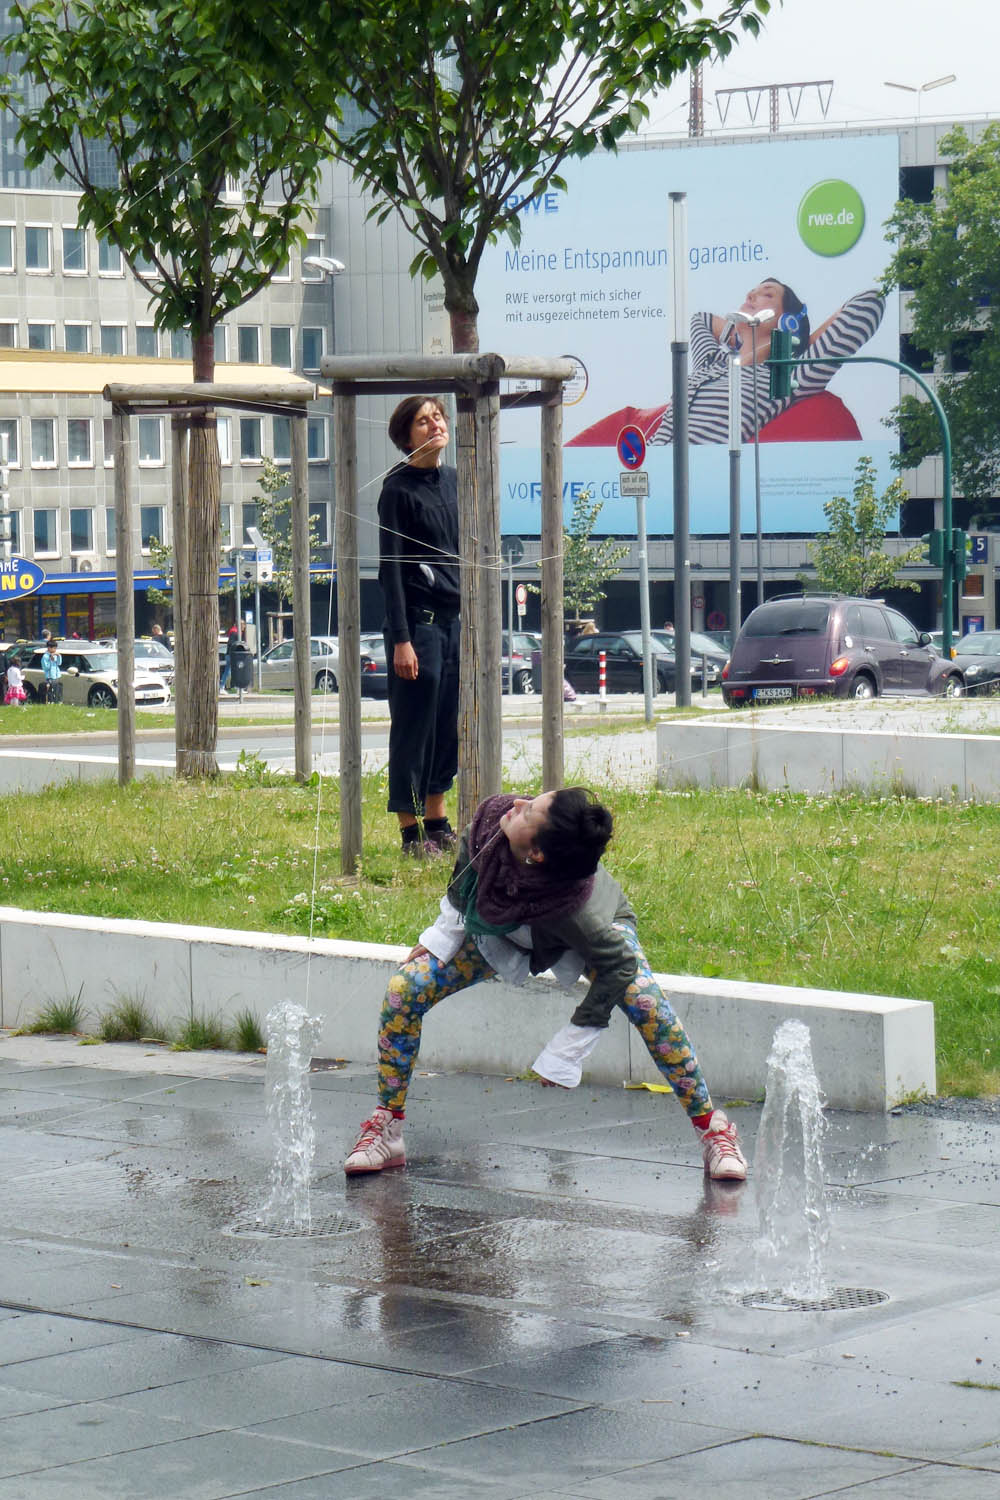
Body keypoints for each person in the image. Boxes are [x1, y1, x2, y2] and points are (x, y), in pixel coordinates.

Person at [344, 787, 748, 1182]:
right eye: (531, 801)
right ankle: (387, 1128)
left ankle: (712, 1129)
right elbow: (461, 884)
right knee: (406, 987)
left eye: (528, 811)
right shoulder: (487, 827)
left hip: (582, 936)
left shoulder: (581, 916)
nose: (517, 803)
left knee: (647, 1005)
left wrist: (568, 1049)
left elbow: (618, 966)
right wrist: (442, 938)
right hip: (505, 929)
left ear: (537, 853)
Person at [568, 281, 885, 448]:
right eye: (753, 290)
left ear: (785, 320)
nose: (753, 294)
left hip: (698, 476)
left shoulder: (787, 374)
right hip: (648, 466)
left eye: (766, 294)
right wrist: (743, 342)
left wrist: (796, 342)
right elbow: (700, 320)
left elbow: (869, 303)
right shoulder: (713, 362)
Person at [378, 395, 460, 858]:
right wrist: (402, 639)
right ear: (406, 436)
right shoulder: (397, 489)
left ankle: (437, 821)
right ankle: (411, 833)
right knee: (414, 727)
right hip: (418, 627)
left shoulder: (456, 481)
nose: (435, 426)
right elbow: (389, 571)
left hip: (454, 624)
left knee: (446, 726)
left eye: (438, 417)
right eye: (423, 422)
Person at [41, 639, 62, 703]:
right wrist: (50, 659)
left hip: (56, 675)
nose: (55, 650)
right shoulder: (45, 656)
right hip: (50, 676)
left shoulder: (54, 654)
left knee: (56, 690)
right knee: (50, 690)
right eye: (54, 648)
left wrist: (59, 656)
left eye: (56, 648)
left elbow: (59, 663)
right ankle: (50, 701)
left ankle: (56, 701)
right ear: (49, 648)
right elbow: (46, 667)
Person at [219, 624, 238, 693]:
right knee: (228, 672)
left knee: (233, 671)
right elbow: (231, 643)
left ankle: (236, 687)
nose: (244, 627)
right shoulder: (234, 632)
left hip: (231, 654)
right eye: (243, 625)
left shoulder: (235, 632)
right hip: (231, 655)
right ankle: (222, 687)